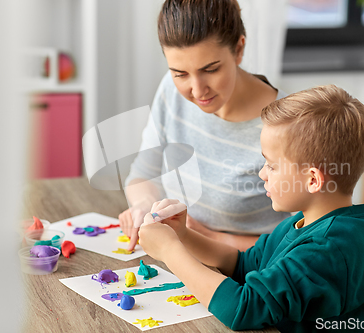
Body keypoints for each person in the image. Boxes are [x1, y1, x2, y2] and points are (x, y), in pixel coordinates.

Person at [138, 85, 364, 332]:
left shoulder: (327, 249)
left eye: (272, 166)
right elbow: (245, 264)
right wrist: (184, 235)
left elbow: (242, 309)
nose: (262, 173)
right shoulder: (306, 221)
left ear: (312, 180)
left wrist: (169, 251)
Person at [119, 0, 289, 252]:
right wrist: (144, 205)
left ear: (239, 49)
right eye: (180, 74)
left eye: (210, 69)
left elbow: (310, 240)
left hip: (252, 278)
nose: (197, 90)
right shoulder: (170, 90)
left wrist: (207, 238)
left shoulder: (288, 124)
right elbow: (143, 173)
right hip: (180, 261)